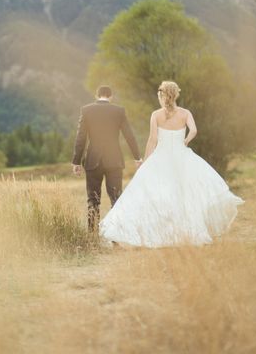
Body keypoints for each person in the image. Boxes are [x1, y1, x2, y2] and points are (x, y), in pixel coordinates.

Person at [99, 81, 244, 247]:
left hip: (161, 157)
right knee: (184, 195)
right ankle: (185, 234)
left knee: (156, 195)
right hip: (182, 157)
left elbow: (152, 140)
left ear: (162, 96)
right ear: (175, 95)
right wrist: (186, 140)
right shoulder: (185, 113)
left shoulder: (156, 115)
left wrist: (145, 162)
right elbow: (194, 130)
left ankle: (157, 232)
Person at [71, 85, 142, 233]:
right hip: (114, 161)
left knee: (93, 200)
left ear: (97, 96)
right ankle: (116, 237)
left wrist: (76, 162)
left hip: (92, 161)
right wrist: (137, 157)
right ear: (111, 96)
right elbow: (129, 135)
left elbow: (80, 138)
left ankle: (92, 237)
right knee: (116, 199)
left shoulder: (86, 110)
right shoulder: (119, 111)